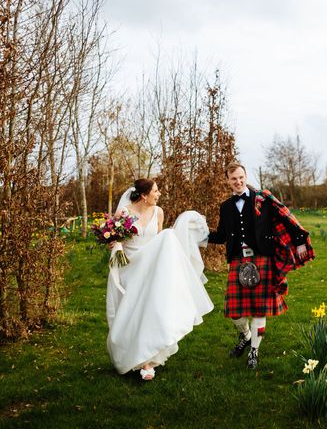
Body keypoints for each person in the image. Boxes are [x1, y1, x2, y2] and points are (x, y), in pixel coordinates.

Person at [208, 162, 314, 369]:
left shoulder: (262, 199)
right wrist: (198, 236)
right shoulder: (225, 207)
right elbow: (221, 236)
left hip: (261, 257)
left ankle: (254, 351)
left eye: (241, 177)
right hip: (238, 259)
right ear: (227, 181)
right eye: (233, 179)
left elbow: (286, 216)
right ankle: (246, 335)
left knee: (259, 310)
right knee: (234, 311)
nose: (238, 182)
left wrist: (300, 239)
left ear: (246, 176)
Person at [106, 179, 214, 380]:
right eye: (155, 191)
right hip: (130, 265)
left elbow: (157, 240)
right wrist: (113, 244)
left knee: (150, 308)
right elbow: (113, 239)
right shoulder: (124, 213)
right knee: (132, 310)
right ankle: (131, 351)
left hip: (152, 266)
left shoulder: (159, 212)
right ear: (144, 195)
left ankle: (147, 359)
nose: (159, 194)